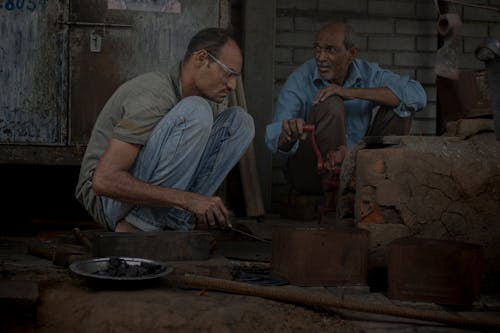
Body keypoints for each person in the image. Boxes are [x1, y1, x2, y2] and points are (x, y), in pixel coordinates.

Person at [75, 28, 255, 232]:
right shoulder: (154, 95)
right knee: (196, 110)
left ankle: (175, 220)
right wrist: (189, 200)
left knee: (241, 122)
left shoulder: (207, 101)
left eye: (235, 77)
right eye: (228, 74)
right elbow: (104, 181)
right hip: (107, 201)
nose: (232, 85)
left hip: (150, 198)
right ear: (202, 58)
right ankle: (138, 226)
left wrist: (192, 203)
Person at [265, 22, 427, 195]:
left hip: (357, 170)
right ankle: (333, 190)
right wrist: (288, 134)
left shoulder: (368, 73)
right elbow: (274, 139)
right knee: (330, 102)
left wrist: (350, 92)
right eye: (317, 49)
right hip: (311, 172)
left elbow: (418, 95)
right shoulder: (300, 79)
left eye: (330, 50)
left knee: (400, 108)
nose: (320, 57)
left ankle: (378, 186)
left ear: (351, 54)